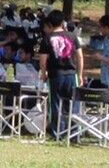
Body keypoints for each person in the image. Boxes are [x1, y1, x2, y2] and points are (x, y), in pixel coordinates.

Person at [38, 9, 83, 140]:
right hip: (71, 74)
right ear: (63, 22)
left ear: (50, 24)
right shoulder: (72, 36)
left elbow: (43, 60)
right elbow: (79, 57)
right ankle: (74, 133)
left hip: (55, 74)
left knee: (56, 104)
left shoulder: (47, 39)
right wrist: (79, 74)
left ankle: (58, 132)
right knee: (72, 104)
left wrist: (44, 73)